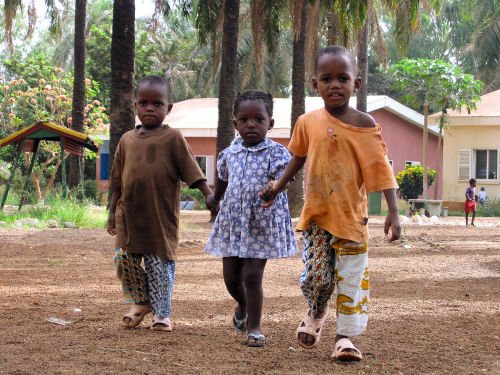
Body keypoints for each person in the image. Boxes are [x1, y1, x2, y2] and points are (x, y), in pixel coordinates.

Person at [259, 46, 400, 361]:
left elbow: (381, 169)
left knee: (351, 282)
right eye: (326, 79)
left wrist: (393, 211)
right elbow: (298, 157)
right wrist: (277, 186)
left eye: (342, 78)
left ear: (356, 84)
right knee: (316, 277)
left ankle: (344, 339)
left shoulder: (364, 125)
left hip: (352, 220)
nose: (334, 85)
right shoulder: (308, 121)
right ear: (315, 83)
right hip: (318, 216)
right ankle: (317, 310)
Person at [107, 75, 214, 331]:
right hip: (129, 219)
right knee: (124, 260)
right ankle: (141, 302)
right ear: (135, 106)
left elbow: (192, 171)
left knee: (159, 268)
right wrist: (112, 213)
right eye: (143, 103)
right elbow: (117, 182)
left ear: (169, 108)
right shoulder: (126, 140)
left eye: (157, 103)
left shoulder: (173, 138)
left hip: (160, 219)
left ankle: (162, 314)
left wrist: (208, 196)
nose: (150, 108)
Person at [204, 90, 298, 347]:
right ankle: (243, 304)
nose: (251, 124)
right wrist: (215, 199)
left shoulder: (276, 152)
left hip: (261, 223)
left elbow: (286, 176)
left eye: (259, 119)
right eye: (244, 119)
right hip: (233, 223)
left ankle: (254, 327)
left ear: (270, 123)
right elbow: (222, 177)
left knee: (252, 276)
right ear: (235, 123)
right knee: (232, 279)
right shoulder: (230, 153)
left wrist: (274, 186)